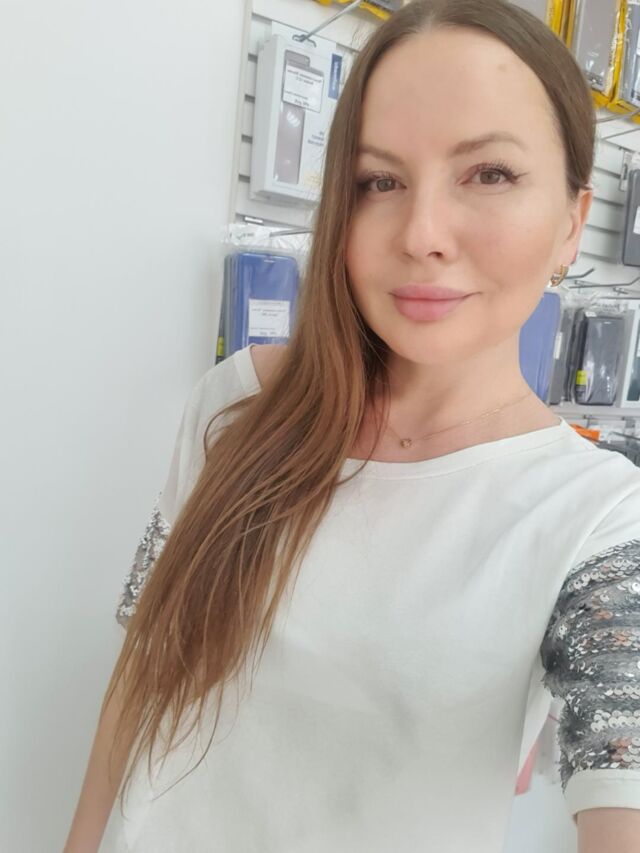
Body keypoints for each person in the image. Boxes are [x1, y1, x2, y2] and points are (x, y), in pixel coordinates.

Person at [64, 1, 640, 851]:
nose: (422, 234)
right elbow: (145, 666)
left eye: (488, 173)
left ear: (571, 222)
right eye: (379, 181)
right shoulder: (237, 406)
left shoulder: (596, 516)